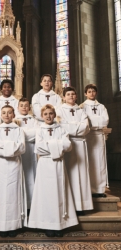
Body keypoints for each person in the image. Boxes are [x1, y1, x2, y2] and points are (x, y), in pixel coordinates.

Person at [28, 104, 78, 237]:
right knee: (46, 194)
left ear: (54, 115)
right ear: (42, 116)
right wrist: (57, 145)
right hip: (44, 164)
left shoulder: (61, 129)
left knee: (59, 192)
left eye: (50, 113)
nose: (48, 116)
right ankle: (48, 224)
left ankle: (60, 224)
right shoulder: (39, 130)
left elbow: (68, 145)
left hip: (58, 164)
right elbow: (39, 147)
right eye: (45, 114)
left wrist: (50, 146)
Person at [0, 105, 27, 238]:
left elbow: (22, 147)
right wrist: (11, 147)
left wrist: (6, 147)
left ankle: (13, 226)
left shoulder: (19, 130)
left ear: (14, 115)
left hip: (15, 165)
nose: (7, 115)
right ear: (0, 115)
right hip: (0, 166)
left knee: (13, 194)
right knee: (0, 193)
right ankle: (0, 225)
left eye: (9, 112)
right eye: (4, 113)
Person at [56, 87, 93, 215]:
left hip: (81, 144)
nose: (71, 96)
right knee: (69, 173)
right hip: (68, 144)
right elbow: (61, 127)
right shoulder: (59, 110)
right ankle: (70, 205)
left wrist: (72, 126)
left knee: (82, 173)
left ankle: (82, 205)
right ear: (64, 97)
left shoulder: (81, 111)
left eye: (73, 94)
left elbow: (86, 127)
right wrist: (76, 126)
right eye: (68, 94)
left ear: (76, 97)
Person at [80, 84, 109, 198]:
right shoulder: (82, 106)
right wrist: (96, 122)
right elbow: (84, 121)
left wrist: (93, 122)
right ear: (85, 93)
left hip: (99, 135)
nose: (91, 93)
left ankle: (100, 189)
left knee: (100, 162)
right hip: (88, 136)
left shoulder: (101, 106)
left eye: (93, 91)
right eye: (89, 91)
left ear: (96, 93)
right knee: (90, 161)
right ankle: (90, 189)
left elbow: (105, 120)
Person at [15, 97, 39, 210]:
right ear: (17, 107)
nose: (24, 108)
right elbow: (14, 135)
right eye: (21, 105)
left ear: (29, 107)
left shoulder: (34, 120)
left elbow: (38, 133)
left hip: (31, 150)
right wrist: (28, 134)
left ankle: (31, 205)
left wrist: (22, 134)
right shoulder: (14, 120)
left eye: (26, 105)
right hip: (19, 152)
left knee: (32, 175)